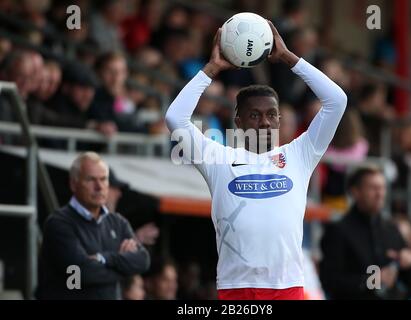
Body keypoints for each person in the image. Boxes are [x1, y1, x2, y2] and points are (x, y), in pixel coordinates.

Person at [165, 22, 347, 300]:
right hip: (236, 289)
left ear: (279, 119)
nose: (264, 121)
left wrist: (288, 58)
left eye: (271, 114)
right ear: (238, 121)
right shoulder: (218, 158)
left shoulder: (300, 154)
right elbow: (175, 119)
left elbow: (337, 99)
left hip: (288, 288)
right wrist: (211, 69)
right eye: (254, 115)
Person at [36, 152, 150, 299]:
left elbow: (143, 261)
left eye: (103, 179)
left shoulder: (118, 222)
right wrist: (123, 268)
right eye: (91, 180)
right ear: (73, 184)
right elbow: (78, 276)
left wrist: (106, 259)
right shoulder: (59, 223)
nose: (99, 186)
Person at [319, 166, 411, 299]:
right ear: (355, 192)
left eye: (382, 188)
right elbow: (329, 281)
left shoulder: (392, 229)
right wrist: (369, 281)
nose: (380, 194)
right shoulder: (338, 231)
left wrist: (410, 265)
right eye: (373, 188)